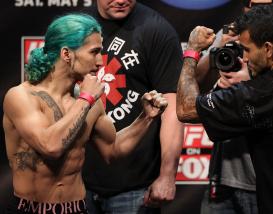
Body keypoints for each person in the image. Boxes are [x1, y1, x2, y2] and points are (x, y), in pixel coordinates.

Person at [3, 13, 168, 214]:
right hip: (30, 209)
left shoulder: (90, 101)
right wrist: (86, 99)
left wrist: (145, 118)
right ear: (66, 54)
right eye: (94, 52)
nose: (100, 62)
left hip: (77, 208)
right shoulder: (21, 96)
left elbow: (113, 150)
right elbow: (51, 146)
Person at [177, 4, 273, 214]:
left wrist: (192, 52)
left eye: (246, 50)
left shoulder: (258, 94)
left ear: (268, 49)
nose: (243, 58)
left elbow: (185, 108)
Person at [82, 0, 184, 213]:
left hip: (135, 187)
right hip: (77, 184)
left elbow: (172, 108)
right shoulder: (75, 28)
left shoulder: (157, 30)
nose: (121, 0)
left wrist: (167, 175)